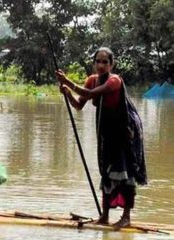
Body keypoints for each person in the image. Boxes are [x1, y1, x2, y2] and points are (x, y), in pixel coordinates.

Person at [55, 47, 147, 228]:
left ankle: (126, 217)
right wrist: (67, 93)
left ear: (112, 64)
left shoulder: (115, 81)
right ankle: (105, 216)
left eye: (105, 62)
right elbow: (79, 105)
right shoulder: (91, 80)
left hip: (123, 131)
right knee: (106, 172)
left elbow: (89, 94)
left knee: (124, 172)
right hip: (105, 132)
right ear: (94, 63)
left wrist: (68, 81)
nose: (101, 65)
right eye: (98, 61)